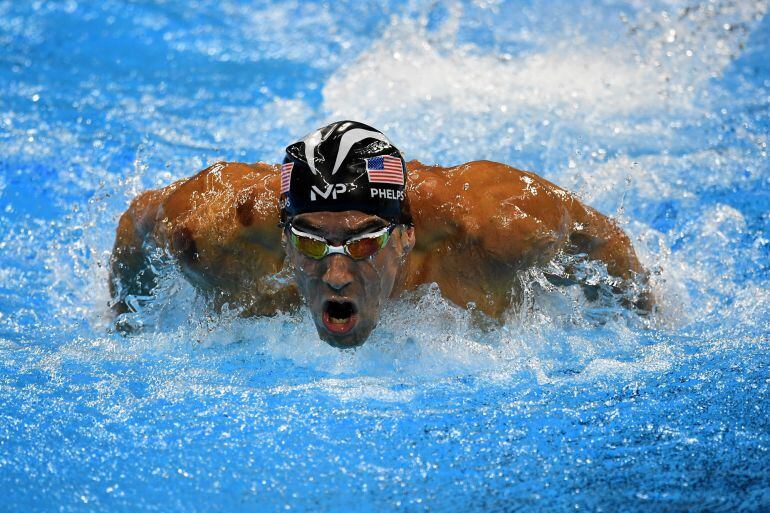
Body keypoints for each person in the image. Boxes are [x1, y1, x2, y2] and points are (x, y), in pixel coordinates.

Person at [110, 120, 653, 347]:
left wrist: (644, 331)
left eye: (366, 241)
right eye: (310, 240)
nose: (337, 274)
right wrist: (123, 327)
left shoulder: (497, 230)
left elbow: (604, 242)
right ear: (281, 234)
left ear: (407, 235)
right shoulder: (207, 232)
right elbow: (134, 225)